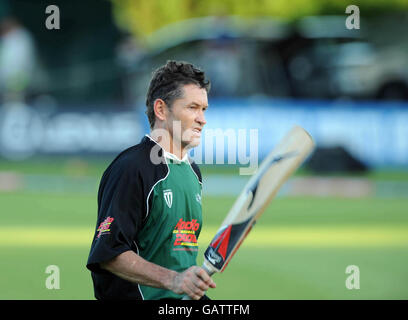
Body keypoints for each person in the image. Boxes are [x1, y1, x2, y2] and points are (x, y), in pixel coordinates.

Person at [86, 60, 216, 300]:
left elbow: (178, 257)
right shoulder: (131, 168)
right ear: (161, 110)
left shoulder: (192, 173)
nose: (202, 119)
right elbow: (109, 252)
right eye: (192, 107)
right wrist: (174, 280)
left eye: (204, 109)